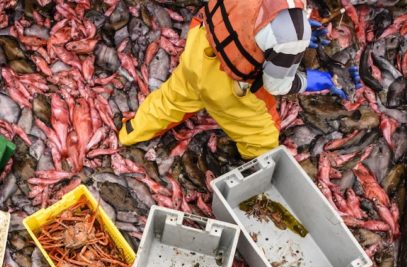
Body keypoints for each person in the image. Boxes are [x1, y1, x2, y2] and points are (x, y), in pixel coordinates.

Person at [117, 0, 348, 159]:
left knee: (172, 98)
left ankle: (131, 131)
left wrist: (299, 25)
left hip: (200, 44)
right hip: (228, 84)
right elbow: (276, 85)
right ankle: (252, 169)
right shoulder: (293, 32)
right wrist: (314, 80)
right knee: (262, 137)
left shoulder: (294, 28)